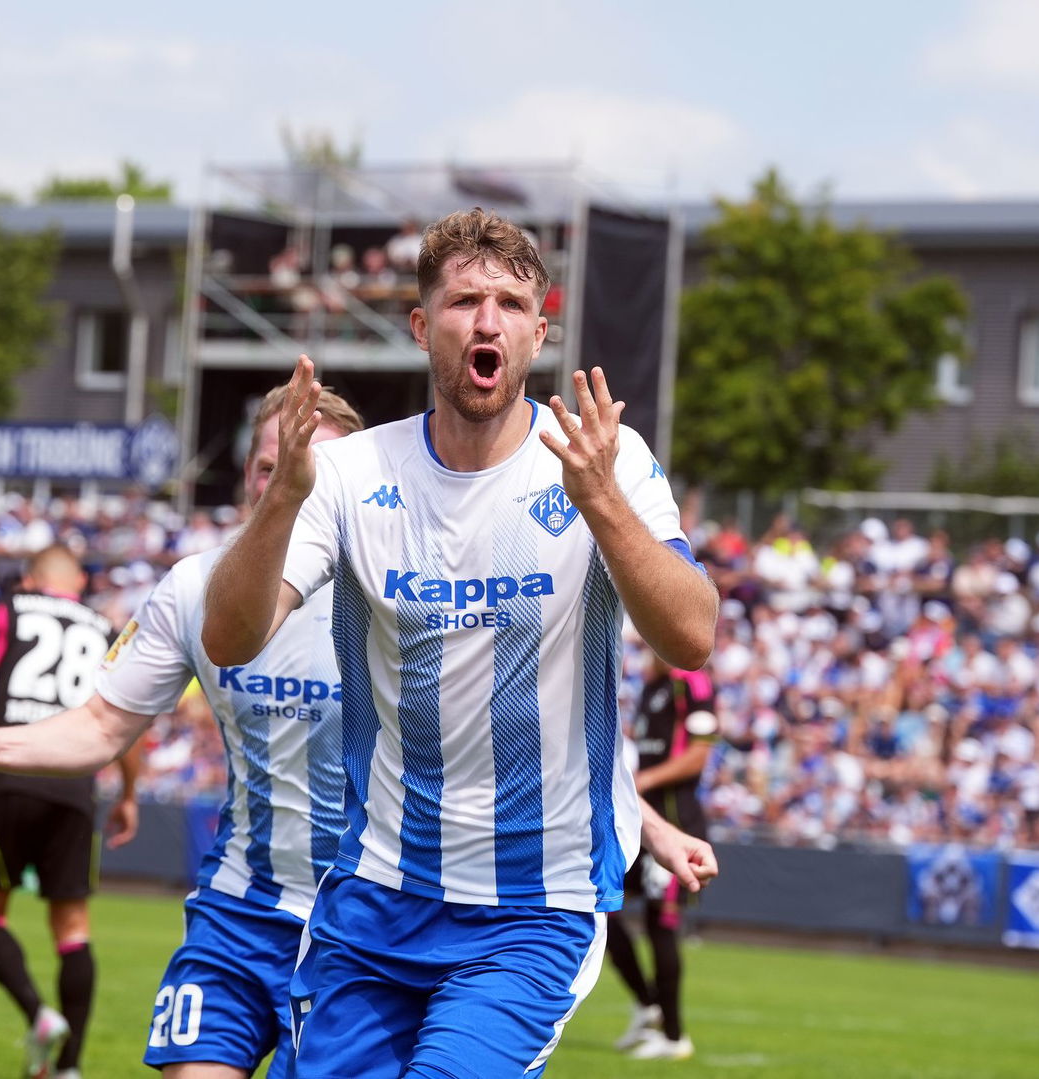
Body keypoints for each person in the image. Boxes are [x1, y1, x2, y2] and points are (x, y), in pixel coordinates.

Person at [199, 208, 721, 1077]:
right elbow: (228, 637)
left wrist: (601, 503)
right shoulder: (353, 473)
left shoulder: (606, 458)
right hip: (376, 893)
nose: (488, 321)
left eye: (511, 304)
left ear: (537, 335)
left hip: (534, 905)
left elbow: (692, 635)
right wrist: (279, 502)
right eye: (464, 301)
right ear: (420, 325)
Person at [0, 382, 367, 1078]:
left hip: (359, 924)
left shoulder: (391, 596)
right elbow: (103, 723)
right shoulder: (194, 587)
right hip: (239, 909)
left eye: (309, 467)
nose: (288, 483)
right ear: (246, 478)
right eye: (271, 466)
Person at [0, 544, 139, 1079]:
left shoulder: (6, 607)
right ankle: (70, 1068)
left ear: (29, 579)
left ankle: (37, 1014)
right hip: (73, 781)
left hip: (4, 768)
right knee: (73, 929)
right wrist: (128, 792)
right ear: (79, 583)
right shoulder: (106, 628)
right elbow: (128, 715)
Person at [608, 653, 719, 1061]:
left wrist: (642, 781)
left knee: (661, 924)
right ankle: (647, 1005)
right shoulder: (649, 687)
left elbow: (700, 754)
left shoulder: (690, 681)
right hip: (641, 824)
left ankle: (674, 1037)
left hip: (675, 826)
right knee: (600, 905)